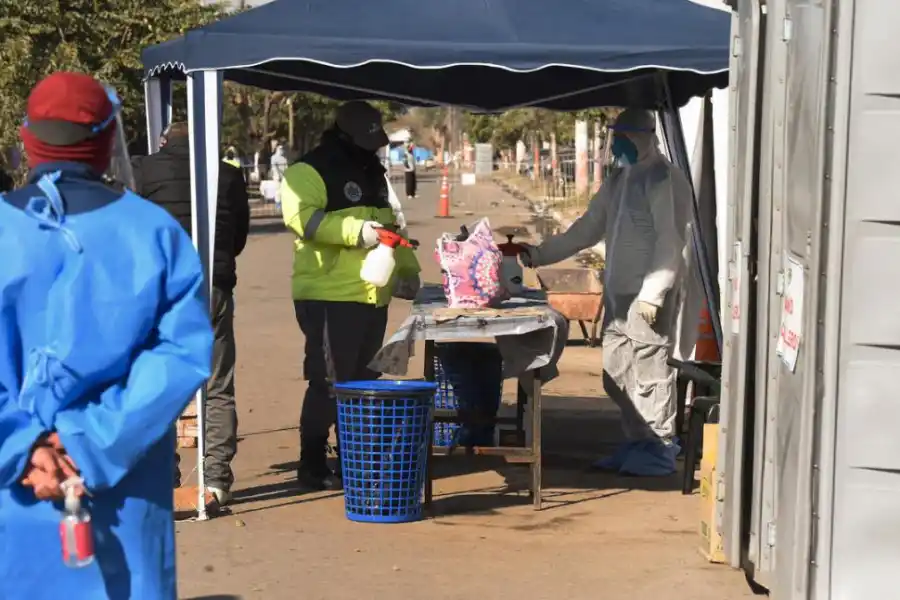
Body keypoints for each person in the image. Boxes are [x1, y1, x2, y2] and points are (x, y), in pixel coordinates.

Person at [0, 72, 212, 598]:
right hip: (121, 487)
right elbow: (179, 355)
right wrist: (86, 440)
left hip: (14, 496)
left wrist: (23, 446)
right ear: (107, 141)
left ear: (27, 141)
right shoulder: (154, 233)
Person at [520, 108, 693, 477]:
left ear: (646, 136)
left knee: (650, 374)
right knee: (616, 374)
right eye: (617, 137)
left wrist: (653, 293)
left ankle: (659, 448)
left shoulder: (665, 179)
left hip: (648, 296)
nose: (619, 144)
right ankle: (635, 441)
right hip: (618, 294)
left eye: (626, 138)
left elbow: (670, 240)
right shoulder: (620, 178)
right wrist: (538, 255)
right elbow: (587, 229)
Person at [281, 101, 421, 490]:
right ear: (343, 134)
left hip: (371, 293)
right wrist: (358, 232)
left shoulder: (372, 169)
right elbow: (302, 221)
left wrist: (408, 272)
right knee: (329, 381)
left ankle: (355, 459)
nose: (373, 148)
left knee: (362, 381)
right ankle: (311, 461)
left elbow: (391, 227)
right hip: (328, 294)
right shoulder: (308, 171)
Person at [132, 121, 250, 506]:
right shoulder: (229, 175)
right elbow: (239, 237)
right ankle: (216, 480)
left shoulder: (142, 171)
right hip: (212, 286)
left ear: (163, 142)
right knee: (218, 386)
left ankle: (165, 478)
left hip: (160, 291)